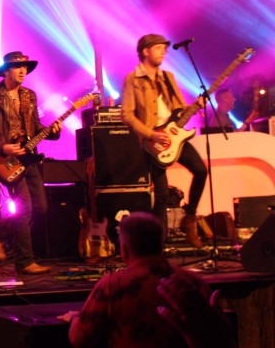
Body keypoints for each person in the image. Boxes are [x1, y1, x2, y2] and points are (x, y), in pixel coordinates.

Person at [65, 212, 214, 348]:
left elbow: (78, 338)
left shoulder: (112, 284)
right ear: (160, 244)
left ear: (124, 249)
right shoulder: (193, 282)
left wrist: (76, 318)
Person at [0, 51, 60, 275]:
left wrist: (52, 132)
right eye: (17, 67)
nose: (23, 70)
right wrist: (2, 147)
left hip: (29, 156)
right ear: (6, 71)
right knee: (24, 207)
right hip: (6, 160)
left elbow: (36, 127)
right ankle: (24, 262)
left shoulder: (29, 96)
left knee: (40, 207)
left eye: (25, 67)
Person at [120, 34, 207, 248]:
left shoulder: (168, 77)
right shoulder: (133, 79)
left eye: (164, 48)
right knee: (162, 195)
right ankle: (156, 245)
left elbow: (179, 108)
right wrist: (150, 134)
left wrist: (196, 106)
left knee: (201, 171)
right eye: (159, 48)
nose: (164, 52)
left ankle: (190, 217)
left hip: (174, 135)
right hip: (153, 143)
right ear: (145, 51)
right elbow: (127, 114)